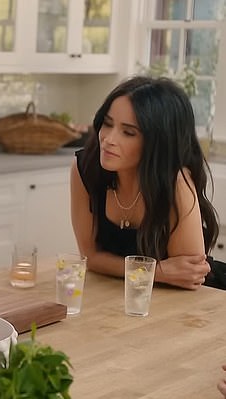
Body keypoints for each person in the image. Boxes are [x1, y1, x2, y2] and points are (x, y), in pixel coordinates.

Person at [70, 76, 220, 290]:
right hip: (124, 294)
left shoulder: (175, 182)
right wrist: (158, 271)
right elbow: (90, 258)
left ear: (158, 142)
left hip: (199, 298)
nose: (109, 139)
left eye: (128, 132)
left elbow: (189, 277)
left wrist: (141, 271)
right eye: (107, 123)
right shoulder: (86, 168)